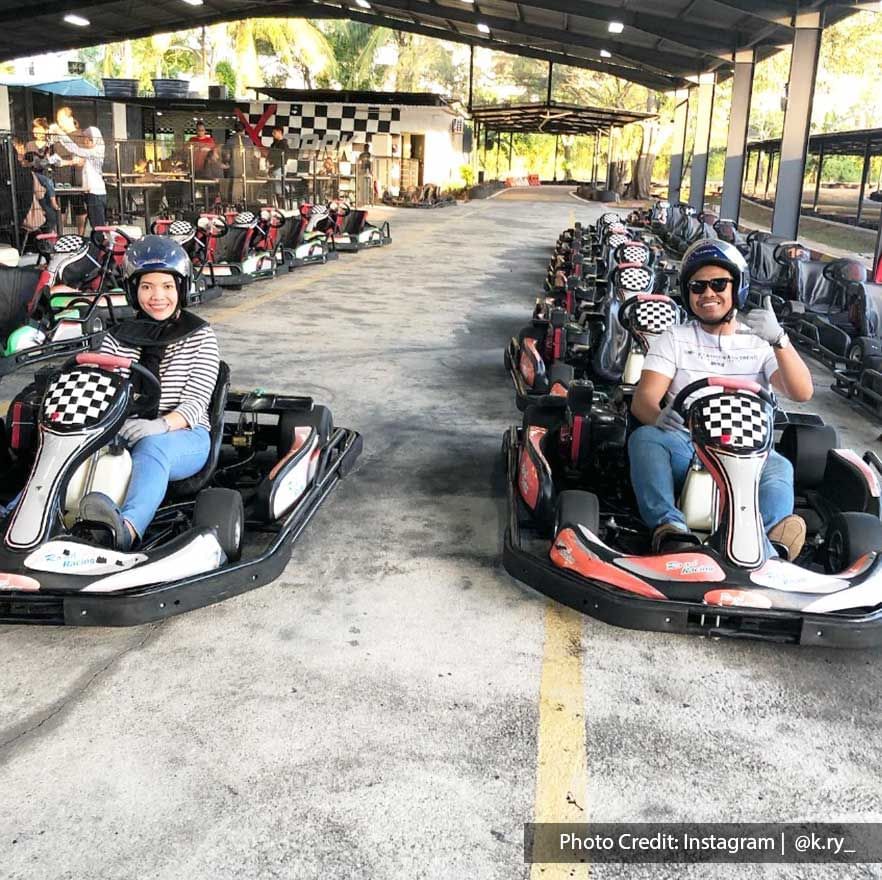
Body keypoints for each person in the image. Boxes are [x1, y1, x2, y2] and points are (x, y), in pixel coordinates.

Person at [628, 239, 814, 560]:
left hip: (750, 452)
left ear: (736, 287)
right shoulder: (674, 338)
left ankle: (766, 546)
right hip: (688, 447)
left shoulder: (758, 343)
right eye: (698, 287)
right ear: (688, 294)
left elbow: (802, 392)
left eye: (718, 284)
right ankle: (671, 530)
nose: (708, 294)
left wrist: (780, 339)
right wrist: (659, 417)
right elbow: (644, 399)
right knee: (645, 439)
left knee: (779, 466)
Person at [79, 236, 221, 550]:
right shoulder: (118, 338)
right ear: (134, 290)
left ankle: (126, 530)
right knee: (71, 443)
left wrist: (158, 425)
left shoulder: (199, 336)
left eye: (167, 287)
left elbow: (198, 402)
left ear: (181, 289)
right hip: (123, 429)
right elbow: (105, 389)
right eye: (147, 287)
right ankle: (23, 514)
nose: (157, 296)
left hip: (185, 436)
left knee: (152, 447)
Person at [52, 124, 107, 232]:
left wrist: (60, 133)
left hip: (95, 193)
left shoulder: (95, 152)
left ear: (93, 140)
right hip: (93, 192)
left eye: (86, 139)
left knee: (98, 226)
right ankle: (100, 244)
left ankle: (102, 246)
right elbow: (78, 159)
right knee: (96, 224)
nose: (84, 142)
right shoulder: (94, 152)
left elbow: (75, 149)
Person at [266, 125, 291, 205]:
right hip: (273, 168)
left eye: (274, 132)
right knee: (275, 189)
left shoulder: (284, 144)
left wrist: (274, 165)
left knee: (279, 188)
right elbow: (270, 155)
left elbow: (285, 158)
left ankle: (281, 206)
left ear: (280, 132)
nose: (273, 134)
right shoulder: (274, 144)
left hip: (279, 168)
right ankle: (278, 205)